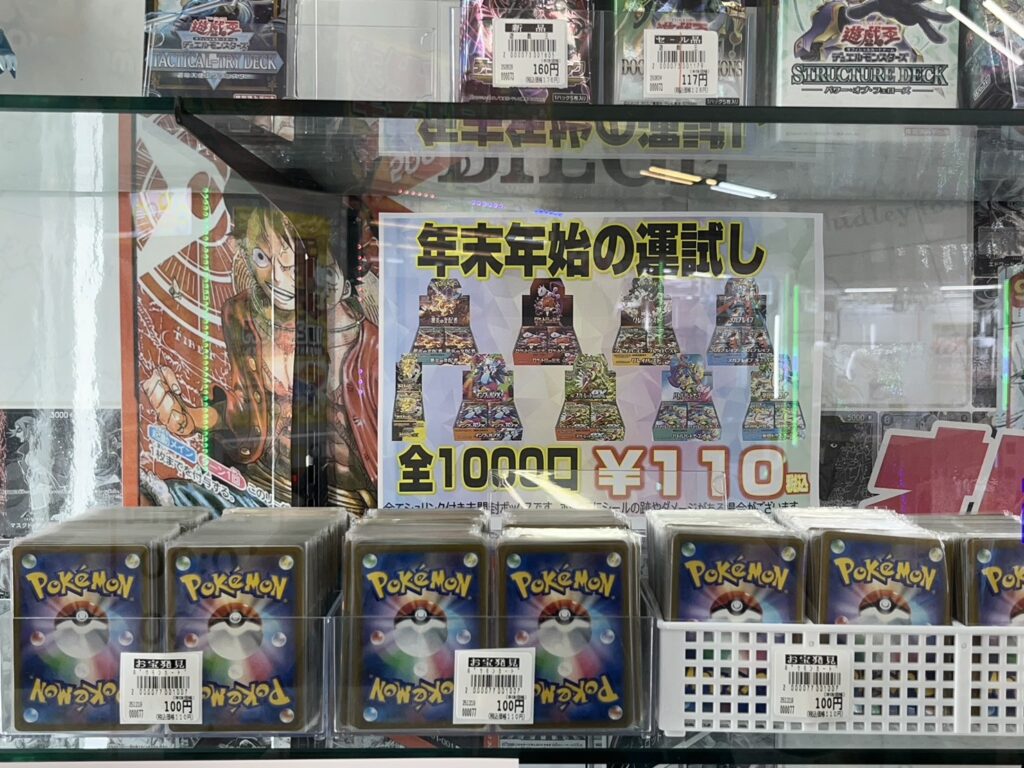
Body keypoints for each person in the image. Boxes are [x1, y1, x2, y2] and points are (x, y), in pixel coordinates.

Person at [143, 205, 377, 514]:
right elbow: (248, 414)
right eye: (262, 258)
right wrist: (193, 418)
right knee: (165, 499)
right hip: (258, 489)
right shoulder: (244, 316)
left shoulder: (372, 345)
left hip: (344, 505)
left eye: (296, 265)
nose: (278, 280)